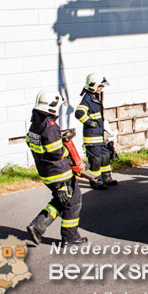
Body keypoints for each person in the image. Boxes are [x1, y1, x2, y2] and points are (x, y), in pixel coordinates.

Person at [26, 90, 87, 246]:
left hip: (47, 173)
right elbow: (56, 152)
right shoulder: (49, 125)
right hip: (59, 172)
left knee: (62, 200)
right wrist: (67, 150)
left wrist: (59, 138)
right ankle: (70, 237)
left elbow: (38, 144)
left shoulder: (35, 124)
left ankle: (38, 226)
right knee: (73, 201)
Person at [75, 73, 115, 189]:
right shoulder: (87, 99)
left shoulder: (96, 97)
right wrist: (90, 123)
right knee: (95, 160)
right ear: (93, 85)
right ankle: (95, 181)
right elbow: (79, 113)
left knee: (105, 156)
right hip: (92, 137)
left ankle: (107, 178)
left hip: (100, 136)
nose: (101, 88)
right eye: (100, 86)